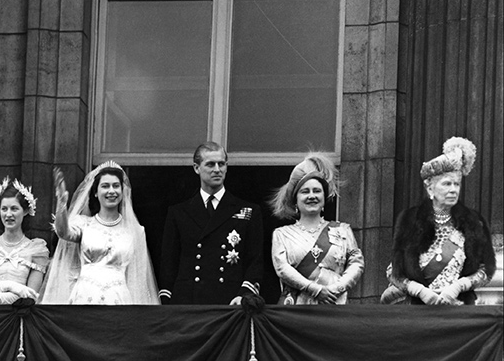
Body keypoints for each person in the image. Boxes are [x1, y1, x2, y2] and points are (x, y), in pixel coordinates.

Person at [381, 137, 496, 305]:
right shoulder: (409, 221)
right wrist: (419, 291)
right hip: (418, 310)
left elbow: (486, 270)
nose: (453, 190)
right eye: (447, 184)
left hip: (459, 309)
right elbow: (394, 273)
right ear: (430, 189)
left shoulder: (474, 223)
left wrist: (459, 286)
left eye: (456, 184)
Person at [159, 142, 264, 305]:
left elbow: (255, 260)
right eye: (210, 164)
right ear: (196, 168)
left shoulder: (248, 211)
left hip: (230, 302)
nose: (217, 169)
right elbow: (168, 264)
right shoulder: (178, 213)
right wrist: (167, 299)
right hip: (188, 302)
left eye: (221, 164)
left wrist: (244, 294)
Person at [40, 161, 160, 304]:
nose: (111, 191)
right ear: (96, 192)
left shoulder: (135, 231)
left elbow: (138, 277)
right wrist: (61, 203)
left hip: (119, 299)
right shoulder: (84, 224)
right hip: (85, 296)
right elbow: (63, 232)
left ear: (123, 191)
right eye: (105, 186)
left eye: (116, 186)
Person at [271, 152, 364, 305]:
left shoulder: (343, 230)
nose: (311, 196)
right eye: (305, 191)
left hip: (335, 304)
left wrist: (337, 288)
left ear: (324, 197)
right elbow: (282, 269)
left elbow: (356, 263)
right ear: (296, 200)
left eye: (317, 191)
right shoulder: (282, 234)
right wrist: (316, 290)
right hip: (297, 308)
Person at [0, 177, 47, 305]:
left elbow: (31, 296)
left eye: (14, 209)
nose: (8, 214)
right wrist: (8, 286)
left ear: (26, 211)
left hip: (19, 317)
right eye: (4, 209)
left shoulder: (36, 249)